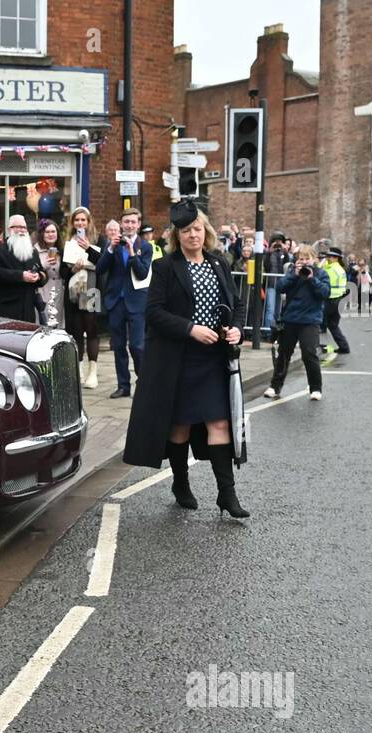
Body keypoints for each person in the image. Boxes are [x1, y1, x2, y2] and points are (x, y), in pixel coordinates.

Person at [123, 200, 248, 518]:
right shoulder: (165, 267)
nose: (192, 235)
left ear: (205, 232)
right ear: (176, 236)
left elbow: (237, 304)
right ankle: (181, 482)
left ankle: (227, 494)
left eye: (197, 229)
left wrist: (235, 329)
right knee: (179, 427)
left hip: (213, 360)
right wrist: (191, 329)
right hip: (178, 360)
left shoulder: (218, 263)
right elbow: (153, 312)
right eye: (185, 231)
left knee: (219, 423)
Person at [95, 208, 151, 398]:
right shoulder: (113, 245)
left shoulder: (146, 246)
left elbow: (143, 273)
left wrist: (133, 253)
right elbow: (100, 269)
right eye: (126, 222)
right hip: (116, 301)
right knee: (118, 346)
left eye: (133, 222)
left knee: (137, 346)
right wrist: (110, 249)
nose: (129, 225)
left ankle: (143, 383)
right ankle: (123, 386)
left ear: (138, 224)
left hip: (137, 302)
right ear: (121, 223)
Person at [264, 246, 330, 402]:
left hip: (310, 321)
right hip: (290, 319)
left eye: (307, 259)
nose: (304, 262)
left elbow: (325, 293)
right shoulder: (292, 272)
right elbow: (280, 287)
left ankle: (315, 388)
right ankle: (275, 386)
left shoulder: (321, 274)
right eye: (301, 259)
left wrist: (312, 279)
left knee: (309, 354)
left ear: (314, 259)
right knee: (284, 354)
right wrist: (294, 275)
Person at [61, 206, 101, 388]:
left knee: (91, 329)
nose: (80, 223)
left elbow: (103, 263)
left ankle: (93, 372)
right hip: (73, 292)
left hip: (91, 290)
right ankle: (78, 370)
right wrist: (72, 269)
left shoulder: (99, 239)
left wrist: (89, 248)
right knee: (75, 330)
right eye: (77, 220)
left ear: (89, 222)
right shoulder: (67, 242)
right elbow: (63, 272)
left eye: (83, 220)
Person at [0, 214, 47, 323]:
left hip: (29, 305)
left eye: (24, 227)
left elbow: (41, 272)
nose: (22, 230)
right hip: (9, 305)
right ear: (10, 229)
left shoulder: (33, 252)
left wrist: (38, 276)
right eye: (18, 227)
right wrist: (21, 276)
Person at [320, 246, 351, 354]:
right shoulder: (339, 269)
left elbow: (323, 281)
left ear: (337, 258)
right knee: (333, 325)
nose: (328, 258)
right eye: (328, 256)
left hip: (331, 299)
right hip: (339, 300)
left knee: (317, 322)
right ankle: (344, 346)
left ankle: (315, 347)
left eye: (331, 256)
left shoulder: (331, 270)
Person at [35, 219, 64, 328]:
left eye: (53, 231)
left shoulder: (62, 250)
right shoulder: (35, 251)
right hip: (43, 291)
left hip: (59, 291)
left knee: (58, 324)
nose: (50, 234)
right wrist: (43, 265)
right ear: (42, 234)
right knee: (44, 324)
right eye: (47, 232)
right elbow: (32, 271)